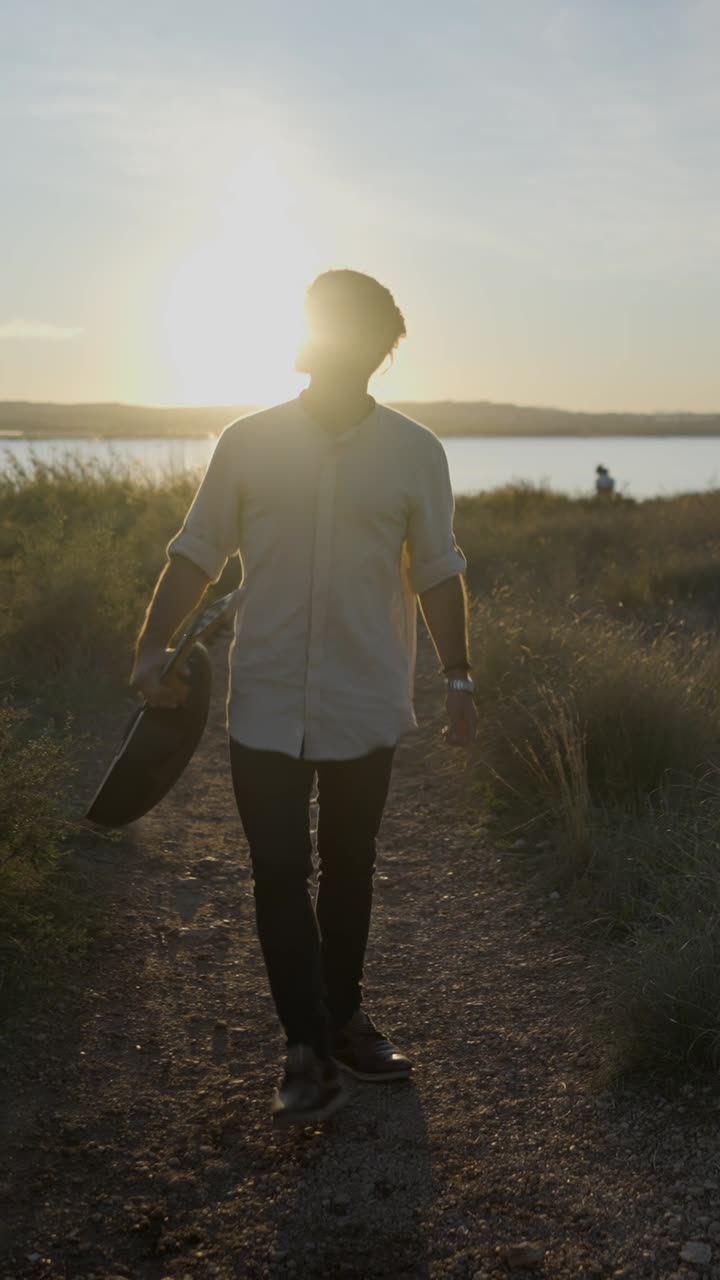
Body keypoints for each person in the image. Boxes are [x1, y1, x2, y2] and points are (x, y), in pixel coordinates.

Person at [131, 269, 478, 1125]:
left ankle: (344, 1015)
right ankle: (306, 1047)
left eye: (365, 335)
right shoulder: (248, 442)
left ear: (380, 348)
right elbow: (197, 551)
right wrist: (151, 645)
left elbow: (438, 573)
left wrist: (460, 677)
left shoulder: (415, 453)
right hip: (267, 698)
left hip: (367, 696)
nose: (346, 348)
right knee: (279, 870)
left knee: (350, 866)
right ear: (310, 339)